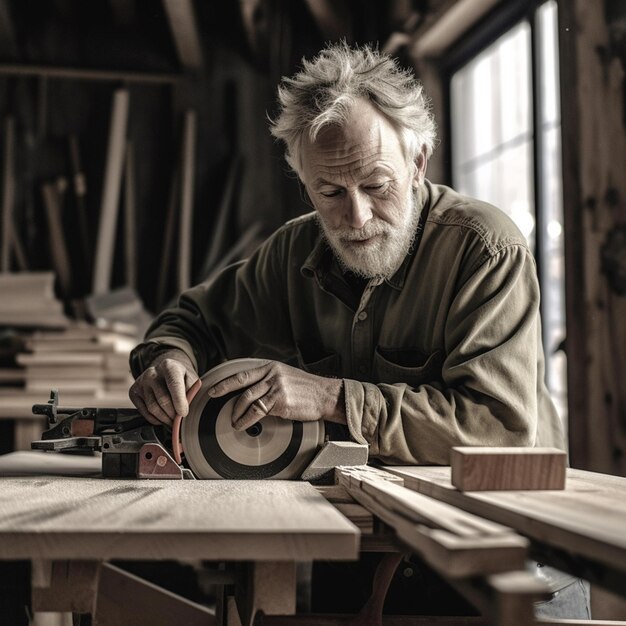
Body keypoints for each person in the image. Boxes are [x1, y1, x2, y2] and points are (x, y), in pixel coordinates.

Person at [129, 42, 589, 618]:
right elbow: (189, 320)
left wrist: (328, 397)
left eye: (376, 186)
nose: (356, 218)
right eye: (330, 192)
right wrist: (167, 359)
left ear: (418, 162)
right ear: (304, 184)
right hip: (359, 550)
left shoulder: (484, 250)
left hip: (501, 557)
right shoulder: (293, 252)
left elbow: (499, 428)